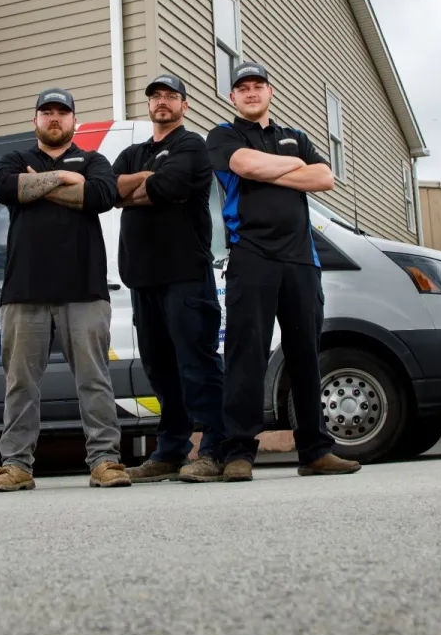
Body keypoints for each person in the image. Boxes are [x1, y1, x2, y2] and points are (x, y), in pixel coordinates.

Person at [206, 62, 361, 482]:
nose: (251, 92)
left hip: (301, 261)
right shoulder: (223, 135)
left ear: (270, 92)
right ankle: (238, 451)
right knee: (245, 357)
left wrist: (274, 167)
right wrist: (294, 171)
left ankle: (315, 451)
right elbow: (244, 166)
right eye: (243, 88)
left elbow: (325, 177)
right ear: (233, 97)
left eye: (258, 86)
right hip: (251, 256)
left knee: (306, 357)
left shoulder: (298, 136)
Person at [0, 87, 130, 491]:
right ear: (35, 120)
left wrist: (43, 185)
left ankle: (105, 461)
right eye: (46, 112)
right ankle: (16, 465)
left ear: (73, 121)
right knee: (20, 384)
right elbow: (4, 187)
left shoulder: (94, 160)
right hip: (24, 291)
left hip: (83, 289)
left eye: (61, 113)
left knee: (94, 379)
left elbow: (103, 194)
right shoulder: (15, 160)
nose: (54, 118)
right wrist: (67, 180)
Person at [113, 73, 225, 483]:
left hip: (186, 276)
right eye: (156, 96)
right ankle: (172, 449)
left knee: (196, 364)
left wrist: (140, 189)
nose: (162, 102)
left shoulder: (191, 145)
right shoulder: (132, 152)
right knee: (160, 369)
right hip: (143, 278)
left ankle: (215, 448)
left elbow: (174, 183)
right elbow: (109, 191)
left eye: (171, 96)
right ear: (148, 105)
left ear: (184, 105)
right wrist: (147, 184)